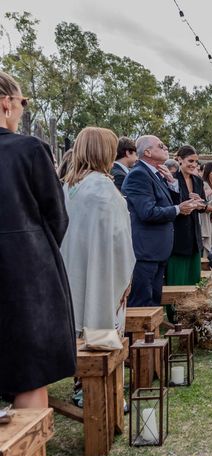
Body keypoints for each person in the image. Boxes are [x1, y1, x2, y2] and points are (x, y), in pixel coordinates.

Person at [0, 71, 76, 408]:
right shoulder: (29, 150)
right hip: (25, 275)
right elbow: (56, 216)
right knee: (29, 374)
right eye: (21, 103)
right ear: (6, 103)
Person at [61, 126, 136, 335]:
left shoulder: (68, 187)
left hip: (68, 273)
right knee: (100, 334)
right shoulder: (104, 190)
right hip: (102, 274)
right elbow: (119, 241)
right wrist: (125, 279)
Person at [122, 135, 198, 306]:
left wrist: (172, 184)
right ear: (147, 152)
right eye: (161, 146)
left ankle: (152, 333)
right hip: (145, 251)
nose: (166, 148)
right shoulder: (139, 175)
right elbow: (147, 212)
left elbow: (165, 202)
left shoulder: (156, 173)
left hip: (158, 251)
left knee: (154, 301)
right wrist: (179, 209)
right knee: (142, 303)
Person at [166, 145, 208, 286]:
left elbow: (203, 206)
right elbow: (170, 204)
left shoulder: (198, 181)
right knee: (177, 278)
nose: (193, 165)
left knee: (194, 279)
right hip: (177, 235)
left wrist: (201, 203)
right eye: (190, 161)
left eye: (196, 162)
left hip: (194, 236)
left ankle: (191, 307)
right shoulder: (171, 180)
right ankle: (174, 308)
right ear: (179, 160)